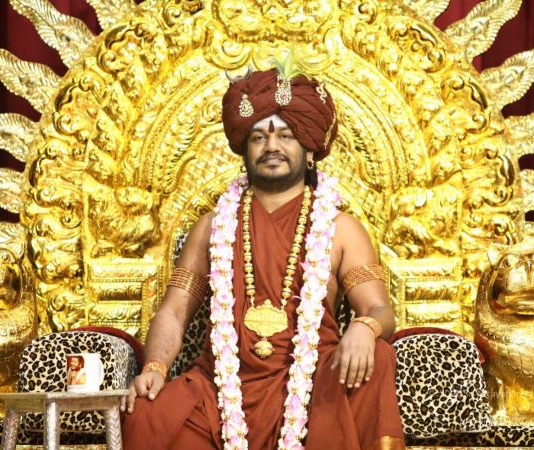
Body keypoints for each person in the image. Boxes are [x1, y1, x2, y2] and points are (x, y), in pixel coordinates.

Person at [121, 60, 405, 449]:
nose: (271, 146)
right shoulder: (212, 226)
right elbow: (173, 312)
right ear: (244, 150)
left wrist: (364, 328)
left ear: (309, 150)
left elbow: (379, 310)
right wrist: (155, 368)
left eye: (285, 135)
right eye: (258, 137)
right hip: (220, 389)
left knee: (380, 357)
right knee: (146, 413)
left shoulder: (340, 228)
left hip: (314, 387)